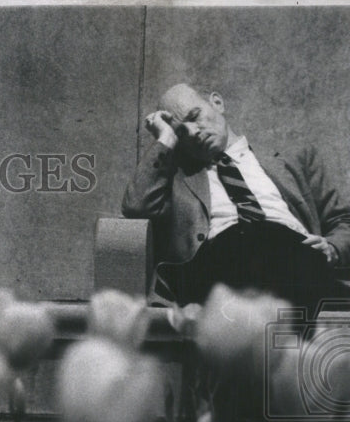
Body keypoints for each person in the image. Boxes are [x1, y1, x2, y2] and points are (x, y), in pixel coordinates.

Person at [122, 83, 350, 312]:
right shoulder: (173, 176)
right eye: (181, 131)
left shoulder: (293, 157)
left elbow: (343, 220)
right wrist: (164, 140)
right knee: (247, 239)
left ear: (217, 103)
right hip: (219, 263)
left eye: (195, 116)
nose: (193, 132)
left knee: (276, 242)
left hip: (293, 254)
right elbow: (136, 207)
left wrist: (332, 248)